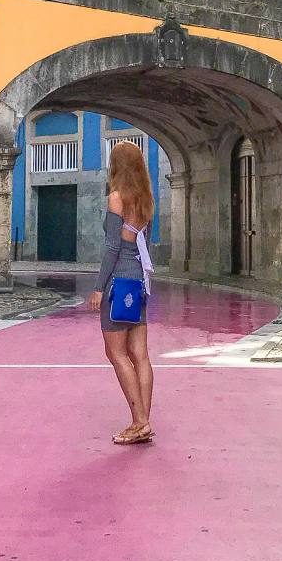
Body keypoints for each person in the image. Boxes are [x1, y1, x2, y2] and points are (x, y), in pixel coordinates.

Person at [88, 141, 155, 445]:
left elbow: (112, 247)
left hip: (118, 282)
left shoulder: (116, 198)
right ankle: (143, 419)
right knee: (139, 354)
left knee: (115, 353)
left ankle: (139, 422)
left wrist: (99, 288)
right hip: (139, 282)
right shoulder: (145, 201)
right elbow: (143, 245)